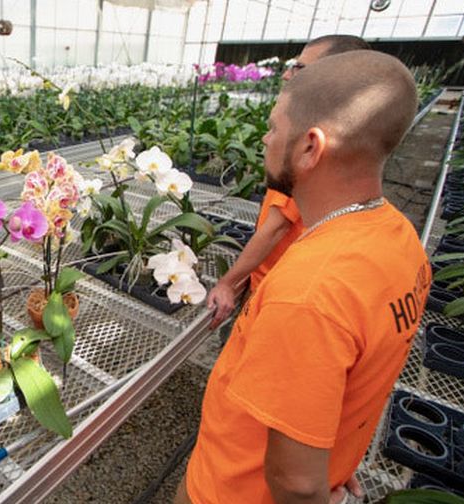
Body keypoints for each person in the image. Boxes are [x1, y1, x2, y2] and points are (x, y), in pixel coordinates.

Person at [178, 50, 431, 504]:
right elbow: (352, 386)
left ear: (311, 147)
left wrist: (310, 489)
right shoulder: (401, 242)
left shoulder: (308, 292)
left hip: (231, 491)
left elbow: (294, 484)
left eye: (275, 127)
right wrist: (331, 465)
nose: (265, 139)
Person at [207, 34, 371, 327]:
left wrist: (228, 282)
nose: (287, 74)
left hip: (274, 290)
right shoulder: (349, 135)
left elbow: (275, 227)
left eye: (299, 67)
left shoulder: (309, 142)